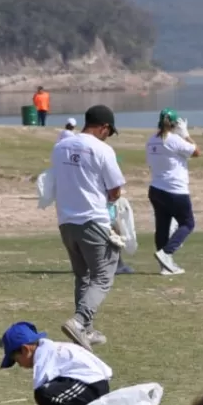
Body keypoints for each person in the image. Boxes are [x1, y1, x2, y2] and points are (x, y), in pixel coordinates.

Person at [51, 105, 124, 350]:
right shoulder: (102, 149)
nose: (108, 135)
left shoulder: (60, 147)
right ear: (104, 127)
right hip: (93, 219)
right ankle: (80, 321)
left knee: (83, 276)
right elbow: (115, 190)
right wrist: (110, 199)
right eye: (109, 131)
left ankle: (87, 330)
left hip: (66, 221)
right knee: (103, 276)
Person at [0, 321, 112, 405]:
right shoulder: (52, 348)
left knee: (43, 394)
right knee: (46, 393)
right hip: (92, 384)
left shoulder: (44, 356)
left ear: (25, 349)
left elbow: (42, 391)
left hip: (93, 386)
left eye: (16, 359)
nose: (19, 364)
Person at [147, 108, 200, 276]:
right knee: (187, 223)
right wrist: (185, 134)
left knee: (162, 227)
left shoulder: (151, 141)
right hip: (175, 190)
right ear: (175, 124)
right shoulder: (174, 140)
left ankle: (165, 266)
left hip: (156, 189)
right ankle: (166, 253)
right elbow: (196, 152)